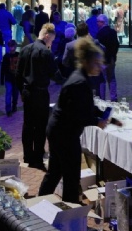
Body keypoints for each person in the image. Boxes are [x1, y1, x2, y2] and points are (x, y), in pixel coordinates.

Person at [38, 38, 121, 201]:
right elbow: (79, 115)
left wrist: (109, 119)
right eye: (97, 63)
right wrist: (97, 122)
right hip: (65, 134)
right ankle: (71, 208)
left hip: (59, 130)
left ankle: (38, 204)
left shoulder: (81, 78)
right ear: (87, 62)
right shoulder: (80, 82)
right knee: (70, 176)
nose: (101, 66)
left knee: (55, 172)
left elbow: (86, 107)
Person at [17, 23, 63, 170]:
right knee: (40, 125)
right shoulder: (46, 52)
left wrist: (22, 91)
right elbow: (54, 74)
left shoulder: (25, 49)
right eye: (52, 40)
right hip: (41, 92)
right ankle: (37, 157)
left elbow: (18, 74)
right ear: (47, 36)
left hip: (27, 91)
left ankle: (27, 155)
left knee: (27, 124)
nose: (51, 43)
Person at [62, 21, 105, 96]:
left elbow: (64, 62)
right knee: (94, 97)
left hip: (76, 75)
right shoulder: (94, 42)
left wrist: (72, 65)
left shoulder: (69, 45)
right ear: (88, 32)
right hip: (92, 76)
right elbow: (104, 50)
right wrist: (92, 39)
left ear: (76, 32)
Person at [96, 14, 119, 101]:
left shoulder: (100, 33)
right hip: (111, 59)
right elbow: (116, 45)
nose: (97, 24)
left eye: (98, 22)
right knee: (112, 79)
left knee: (102, 80)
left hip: (102, 60)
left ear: (102, 22)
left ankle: (102, 99)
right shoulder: (113, 32)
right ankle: (114, 98)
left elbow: (98, 48)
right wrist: (113, 55)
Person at [1, 40, 21, 115]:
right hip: (9, 78)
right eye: (10, 46)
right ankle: (8, 109)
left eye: (12, 46)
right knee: (9, 93)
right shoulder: (6, 56)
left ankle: (14, 106)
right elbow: (3, 68)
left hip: (15, 78)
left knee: (15, 93)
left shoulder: (18, 55)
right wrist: (2, 79)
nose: (11, 48)